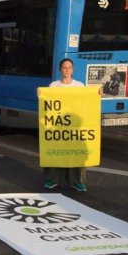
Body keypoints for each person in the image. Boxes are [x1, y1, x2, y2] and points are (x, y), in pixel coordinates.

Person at [41, 58, 89, 192]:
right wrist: (41, 95)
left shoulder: (79, 85)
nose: (67, 70)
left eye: (69, 68)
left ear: (73, 70)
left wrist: (97, 94)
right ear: (60, 70)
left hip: (73, 127)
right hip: (58, 126)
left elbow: (86, 102)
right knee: (55, 153)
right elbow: (48, 104)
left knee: (75, 154)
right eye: (64, 67)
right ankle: (52, 180)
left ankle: (77, 181)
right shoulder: (53, 86)